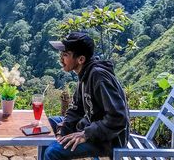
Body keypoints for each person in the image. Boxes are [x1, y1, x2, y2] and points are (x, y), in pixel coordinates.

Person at [45, 31, 130, 160]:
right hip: (90, 125)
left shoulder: (98, 77)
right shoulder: (85, 73)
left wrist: (86, 134)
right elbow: (76, 109)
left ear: (81, 59)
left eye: (66, 54)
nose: (61, 58)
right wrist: (63, 130)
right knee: (50, 123)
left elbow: (118, 118)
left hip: (109, 139)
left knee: (53, 152)